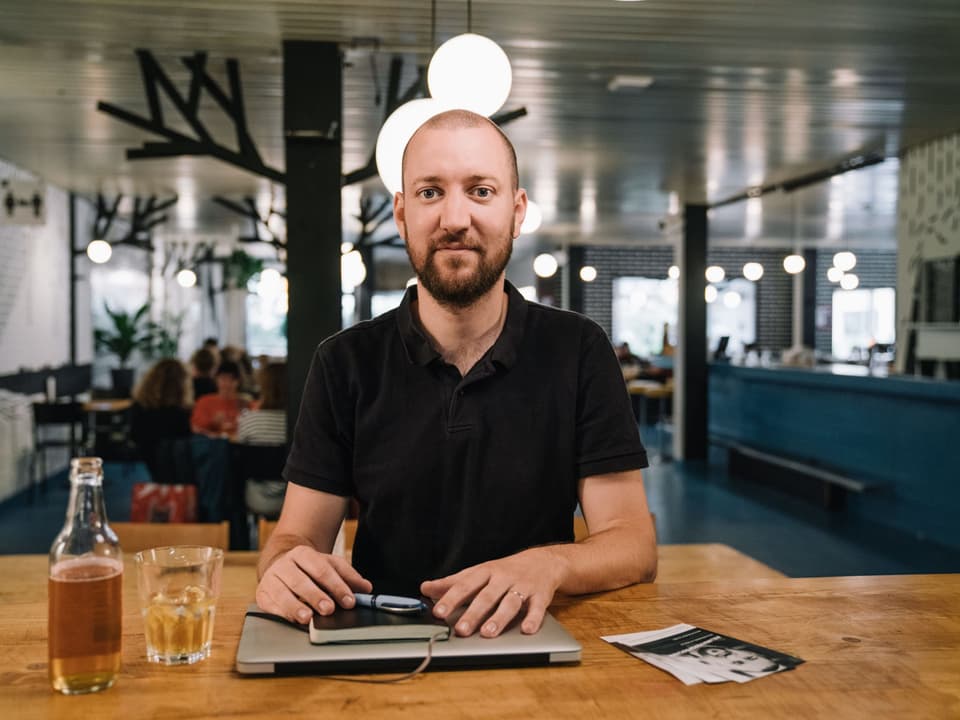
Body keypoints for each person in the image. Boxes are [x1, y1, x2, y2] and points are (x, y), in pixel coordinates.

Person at [256, 109, 657, 639]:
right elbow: (294, 537)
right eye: (429, 192)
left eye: (481, 191)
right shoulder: (344, 362)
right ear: (401, 216)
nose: (454, 219)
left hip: (532, 636)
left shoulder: (578, 349)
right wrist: (283, 565)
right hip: (380, 647)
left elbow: (632, 542)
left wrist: (550, 564)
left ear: (517, 213)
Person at [129, 358, 192, 481]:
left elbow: (134, 435)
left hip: (148, 463)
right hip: (179, 469)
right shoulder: (181, 412)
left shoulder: (140, 405)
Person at [190, 360, 249, 438]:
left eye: (232, 380)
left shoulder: (246, 403)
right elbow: (195, 428)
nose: (227, 384)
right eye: (223, 378)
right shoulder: (204, 401)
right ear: (216, 379)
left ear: (239, 381)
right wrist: (212, 422)